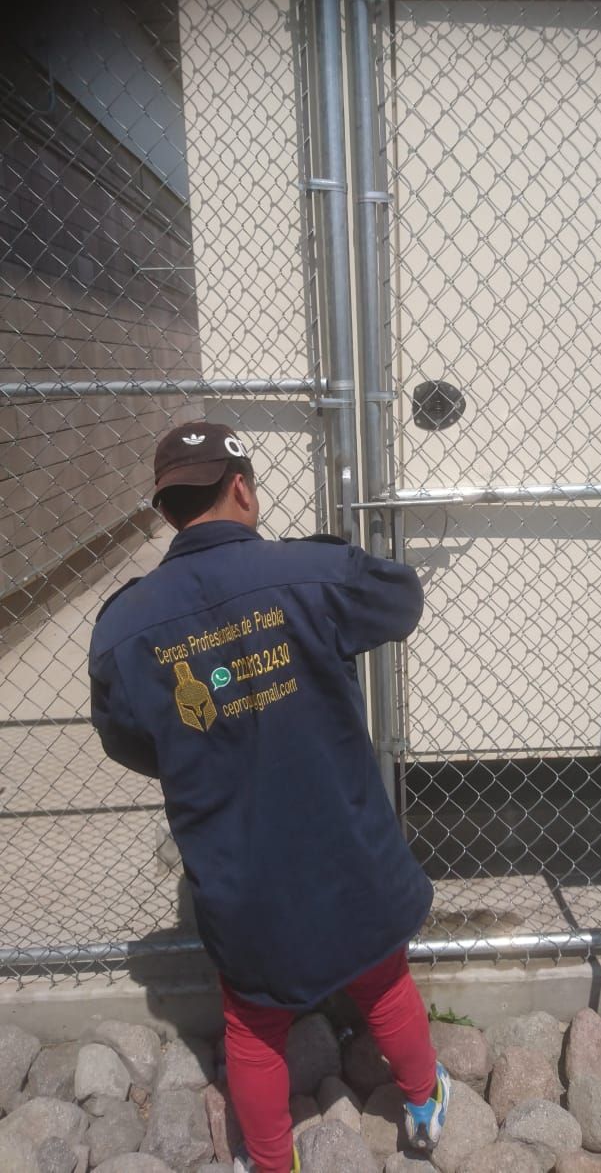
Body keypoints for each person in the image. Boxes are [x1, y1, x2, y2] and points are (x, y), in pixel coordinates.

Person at [88, 421, 450, 1173]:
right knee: (385, 982)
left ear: (167, 512)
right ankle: (423, 1104)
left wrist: (199, 748)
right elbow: (402, 600)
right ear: (243, 490)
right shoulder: (310, 574)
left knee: (253, 1028)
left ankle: (270, 1161)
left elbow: (126, 741)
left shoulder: (124, 627)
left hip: (243, 878)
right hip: (349, 851)